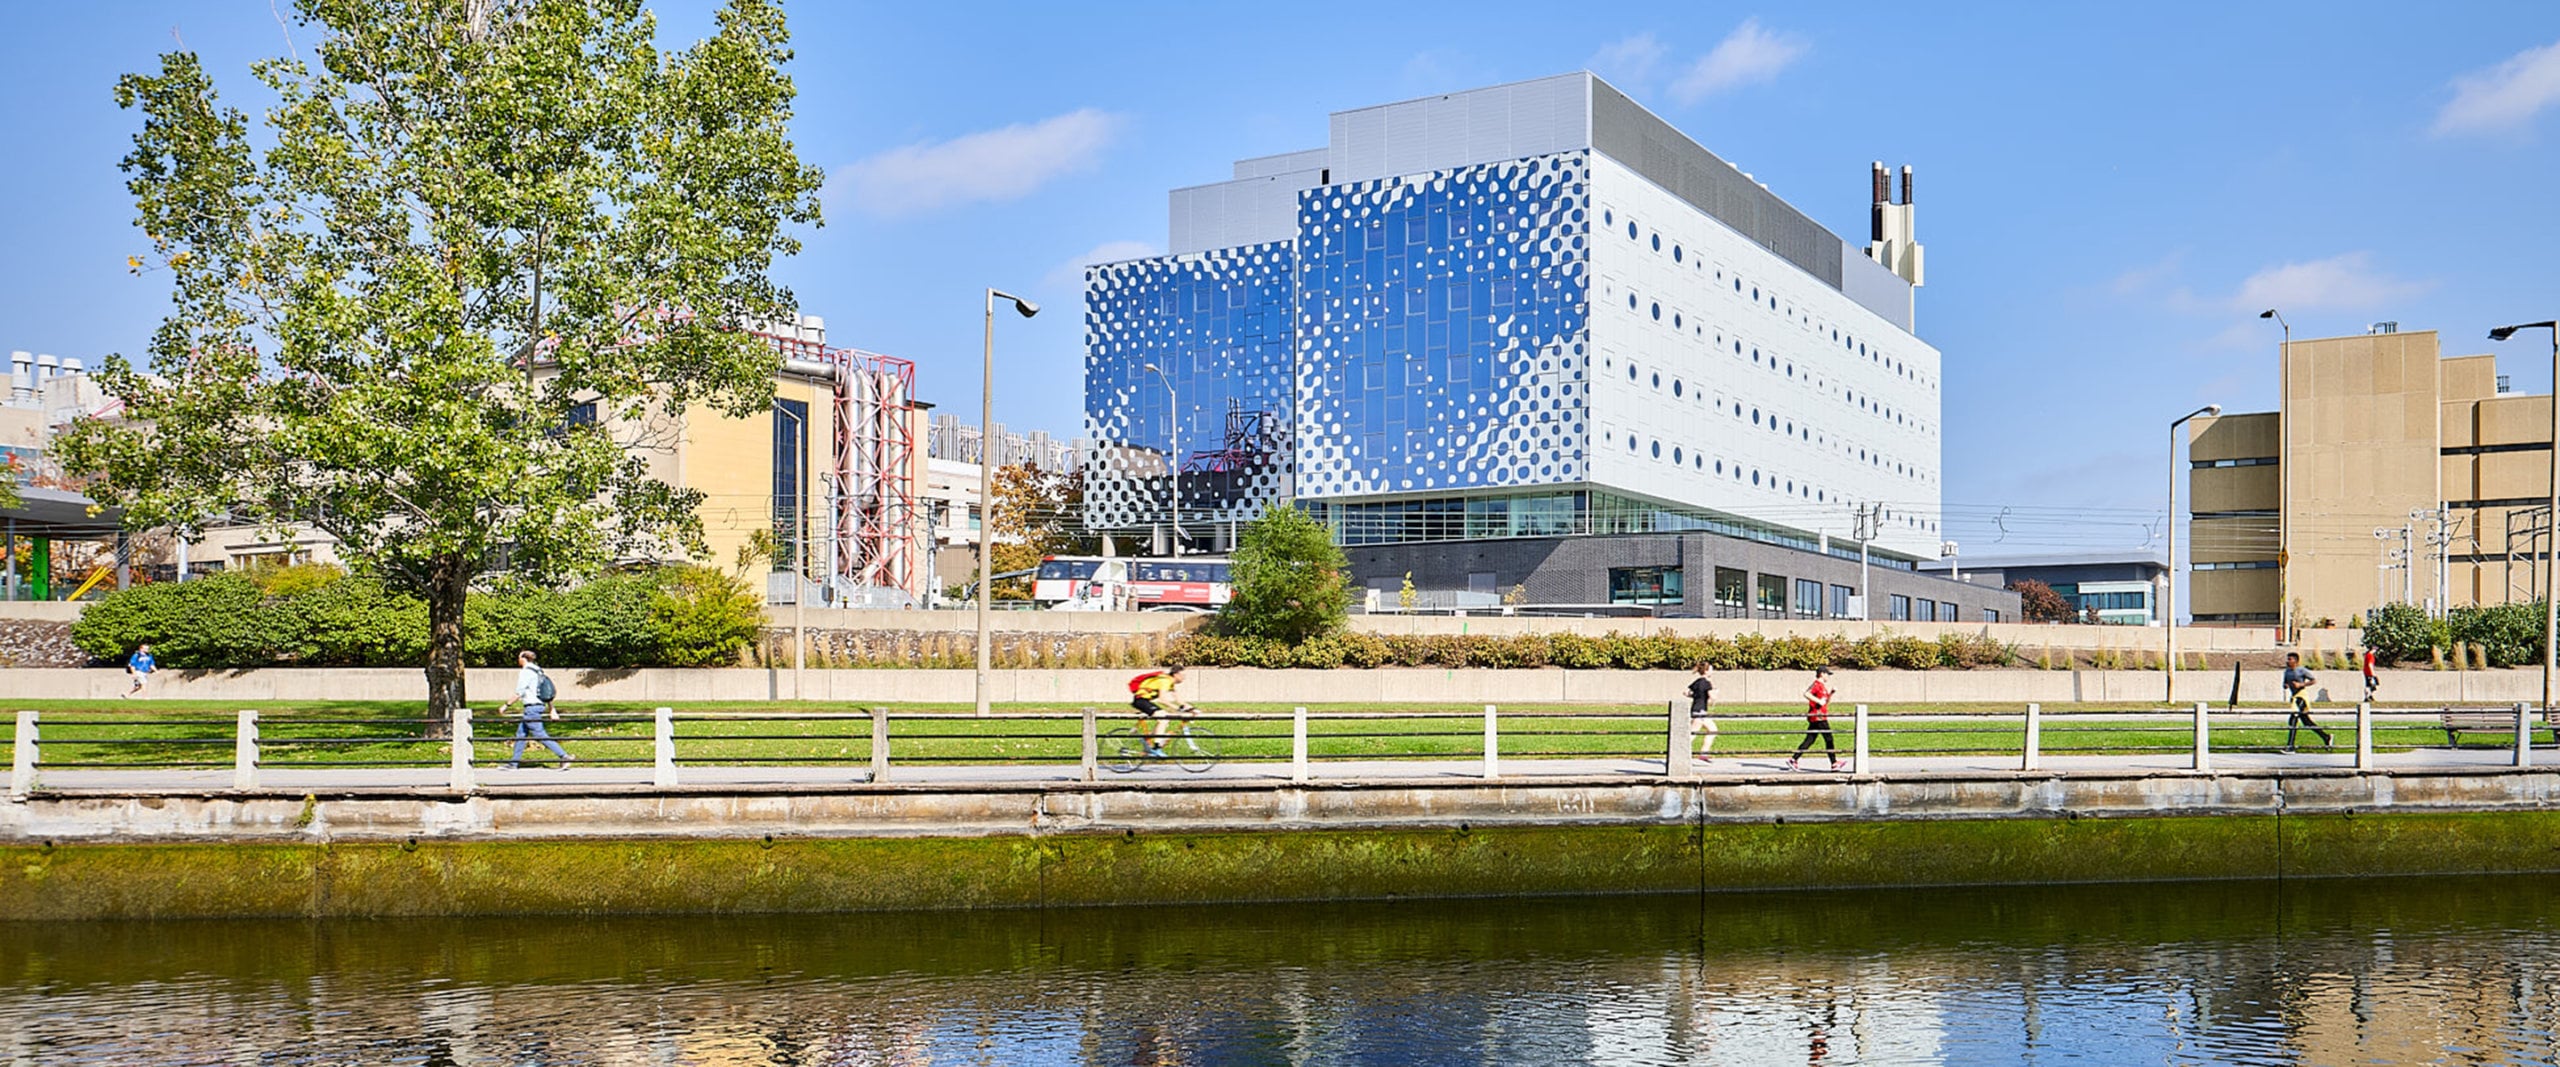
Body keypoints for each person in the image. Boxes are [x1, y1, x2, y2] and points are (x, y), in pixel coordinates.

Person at [497, 649, 572, 770]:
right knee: (521, 735)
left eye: (519, 657)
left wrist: (506, 705)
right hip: (538, 706)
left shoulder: (526, 672)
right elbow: (546, 692)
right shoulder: (538, 670)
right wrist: (551, 709)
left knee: (539, 734)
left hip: (532, 708)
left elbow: (519, 692)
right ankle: (514, 763)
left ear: (523, 659)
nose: (518, 660)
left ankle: (564, 756)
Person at [1130, 665, 1197, 758]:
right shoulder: (1165, 681)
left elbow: (1178, 699)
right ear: (1176, 674)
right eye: (1183, 675)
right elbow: (1162, 699)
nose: (1184, 678)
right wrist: (1178, 709)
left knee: (1165, 720)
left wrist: (1191, 708)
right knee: (1163, 719)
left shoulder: (1170, 682)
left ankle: (1148, 739)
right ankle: (1156, 747)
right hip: (1140, 700)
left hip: (1146, 700)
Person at [1788, 666, 1843, 772]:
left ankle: (1793, 759)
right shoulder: (1816, 685)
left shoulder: (1822, 687)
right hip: (1818, 717)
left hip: (1819, 716)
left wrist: (1831, 693)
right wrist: (1818, 701)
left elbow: (1825, 702)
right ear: (1822, 674)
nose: (1828, 677)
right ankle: (1834, 763)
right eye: (1827, 674)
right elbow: (1806, 693)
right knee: (1829, 739)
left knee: (1810, 739)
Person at [2281, 651, 2331, 752]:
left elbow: (2313, 680)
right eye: (2287, 659)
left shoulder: (2301, 670)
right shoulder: (2287, 671)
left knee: (2293, 719)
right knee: (2306, 722)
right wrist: (2286, 685)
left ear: (2295, 661)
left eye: (2290, 659)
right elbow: (2285, 683)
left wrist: (2301, 685)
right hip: (2294, 697)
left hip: (2302, 696)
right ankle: (2326, 737)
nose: (2287, 661)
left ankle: (2290, 747)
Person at [1685, 661, 1718, 763]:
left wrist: (1695, 696)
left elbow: (1686, 692)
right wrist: (1716, 692)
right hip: (1701, 711)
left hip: (1696, 709)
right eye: (1711, 669)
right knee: (1693, 733)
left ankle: (1704, 753)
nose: (1712, 671)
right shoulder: (1707, 683)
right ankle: (1681, 751)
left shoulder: (1697, 682)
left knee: (1712, 730)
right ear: (1706, 671)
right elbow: (1712, 697)